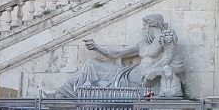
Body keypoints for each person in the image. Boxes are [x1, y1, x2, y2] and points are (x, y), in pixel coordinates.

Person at [48, 13, 183, 97]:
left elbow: (169, 59)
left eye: (144, 25)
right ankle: (64, 91)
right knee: (91, 63)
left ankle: (63, 93)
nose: (143, 28)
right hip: (128, 72)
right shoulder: (143, 43)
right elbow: (117, 53)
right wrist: (97, 47)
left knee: (92, 68)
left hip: (138, 79)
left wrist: (154, 71)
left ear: (151, 26)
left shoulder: (165, 39)